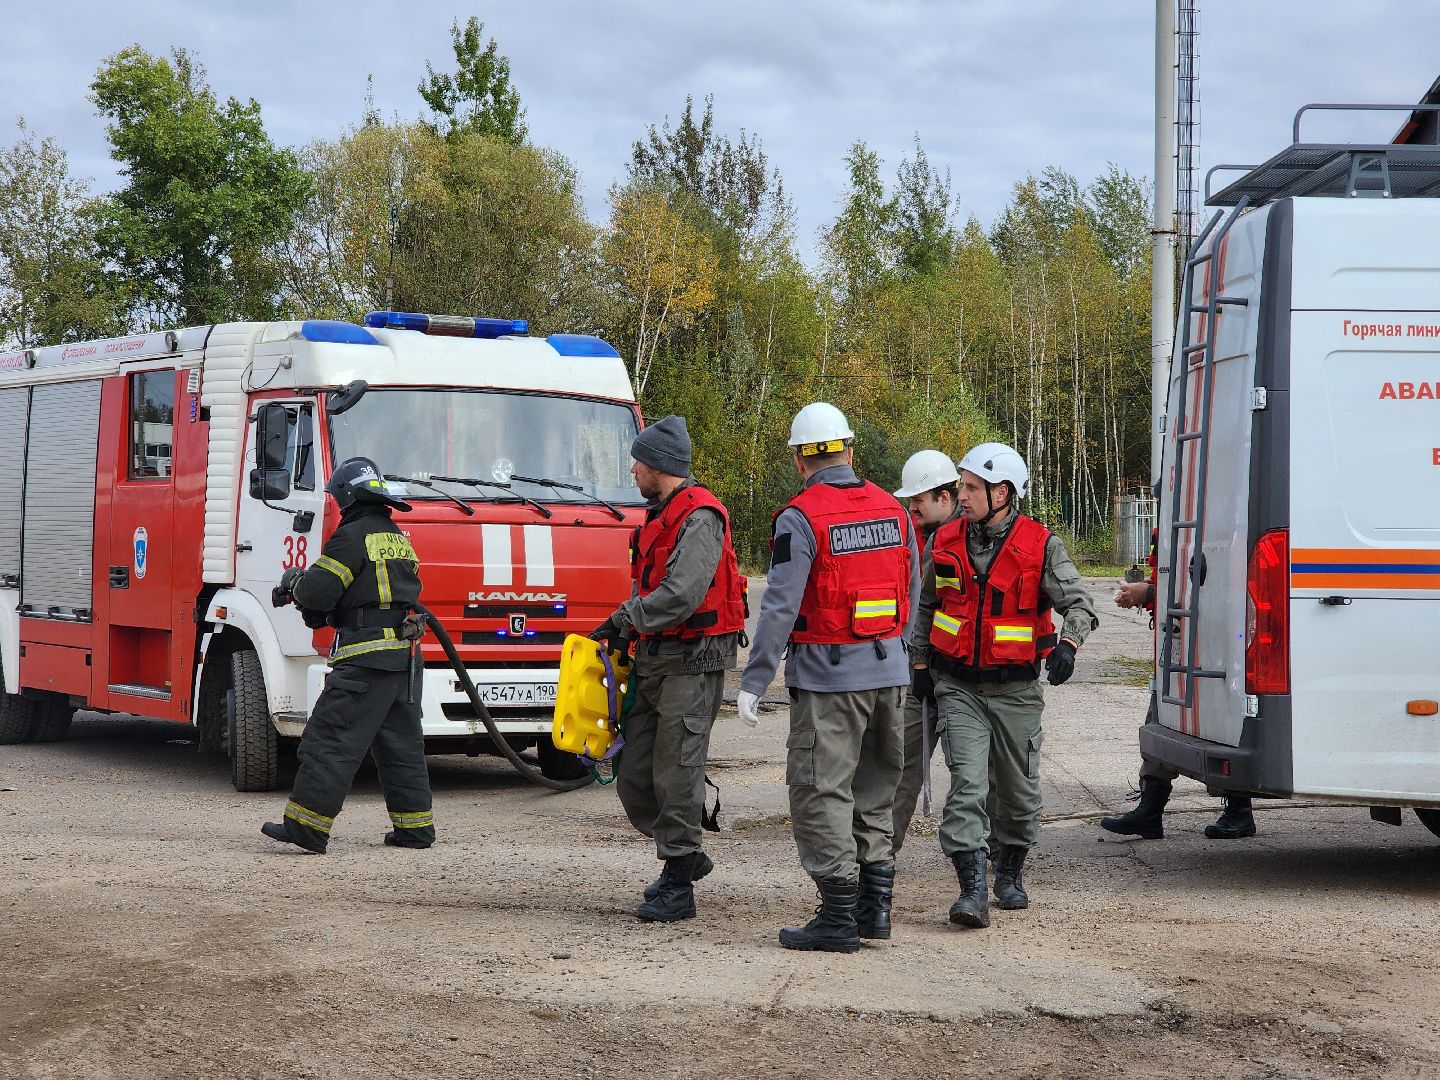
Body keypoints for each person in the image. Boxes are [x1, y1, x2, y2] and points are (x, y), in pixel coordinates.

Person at [738, 402, 919, 953]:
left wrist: (754, 679)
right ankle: (875, 910)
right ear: (849, 449)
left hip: (828, 681)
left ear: (799, 459)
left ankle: (838, 917)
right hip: (891, 673)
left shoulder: (800, 516)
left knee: (821, 790)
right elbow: (911, 591)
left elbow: (780, 606)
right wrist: (897, 654)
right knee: (876, 790)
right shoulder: (894, 511)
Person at [911, 443, 1097, 928]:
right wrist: (919, 665)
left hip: (1016, 690)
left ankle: (1009, 871)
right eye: (961, 486)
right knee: (968, 785)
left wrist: (1068, 645)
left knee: (1017, 793)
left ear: (1003, 492)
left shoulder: (1041, 544)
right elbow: (925, 606)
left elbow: (1080, 603)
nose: (962, 495)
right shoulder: (943, 541)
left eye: (972, 488)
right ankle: (970, 890)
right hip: (958, 687)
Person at [589, 415, 747, 923]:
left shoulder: (701, 516)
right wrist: (626, 631)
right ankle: (686, 853)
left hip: (694, 661)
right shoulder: (661, 514)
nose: (632, 469)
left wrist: (623, 619)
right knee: (635, 774)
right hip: (656, 659)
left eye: (639, 460)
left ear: (660, 465)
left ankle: (679, 877)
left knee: (677, 768)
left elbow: (681, 594)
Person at [262, 457, 433, 854]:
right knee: (401, 747)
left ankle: (306, 827)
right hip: (404, 660)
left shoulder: (352, 535)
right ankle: (415, 830)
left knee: (331, 738)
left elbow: (319, 592)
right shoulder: (396, 536)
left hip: (366, 660)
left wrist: (295, 582)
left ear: (346, 497)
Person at [1101, 529, 1256, 840]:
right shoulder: (1170, 517)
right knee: (1159, 720)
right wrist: (1149, 596)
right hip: (1177, 636)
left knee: (1219, 721)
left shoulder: (1212, 514)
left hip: (1212, 637)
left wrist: (1147, 593)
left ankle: (1239, 810)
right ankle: (1150, 811)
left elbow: (1209, 580)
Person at [890, 450, 964, 852]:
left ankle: (982, 853)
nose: (911, 506)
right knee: (900, 762)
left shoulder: (970, 538)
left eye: (918, 499)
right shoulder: (915, 534)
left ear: (945, 497)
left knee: (970, 769)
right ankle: (880, 854)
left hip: (959, 674)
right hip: (919, 669)